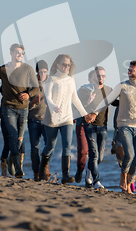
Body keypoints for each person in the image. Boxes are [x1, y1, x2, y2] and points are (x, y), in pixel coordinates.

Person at [95, 60, 136, 194]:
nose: (129, 72)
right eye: (128, 70)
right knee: (129, 154)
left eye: (132, 70)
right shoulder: (122, 86)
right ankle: (123, 177)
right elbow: (107, 100)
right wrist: (94, 112)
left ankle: (129, 185)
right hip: (124, 125)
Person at [0, 44, 39, 178]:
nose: (20, 54)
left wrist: (28, 95)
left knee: (19, 139)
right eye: (17, 52)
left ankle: (13, 161)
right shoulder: (2, 69)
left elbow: (36, 87)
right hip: (8, 108)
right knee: (12, 135)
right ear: (11, 53)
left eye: (22, 52)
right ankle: (18, 169)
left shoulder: (28, 69)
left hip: (24, 109)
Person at [39, 54, 95, 183]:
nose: (66, 67)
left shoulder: (71, 80)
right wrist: (53, 107)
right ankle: (42, 168)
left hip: (67, 117)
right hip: (52, 118)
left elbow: (75, 99)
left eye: (68, 65)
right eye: (64, 64)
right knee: (50, 146)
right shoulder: (51, 79)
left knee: (67, 146)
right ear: (57, 65)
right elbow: (48, 97)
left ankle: (65, 175)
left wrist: (84, 114)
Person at [82, 66, 116, 189]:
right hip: (90, 126)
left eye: (103, 76)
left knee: (99, 157)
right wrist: (88, 101)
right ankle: (97, 181)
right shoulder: (86, 90)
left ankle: (89, 173)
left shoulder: (108, 90)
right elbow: (79, 105)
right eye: (98, 76)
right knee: (94, 154)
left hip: (103, 126)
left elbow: (114, 102)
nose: (101, 78)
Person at [28, 60, 50, 181]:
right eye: (41, 71)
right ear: (37, 71)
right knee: (35, 148)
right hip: (33, 120)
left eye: (45, 71)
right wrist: (33, 102)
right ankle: (36, 173)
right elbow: (26, 105)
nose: (43, 74)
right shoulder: (31, 84)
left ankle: (45, 168)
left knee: (49, 145)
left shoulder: (51, 83)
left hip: (47, 120)